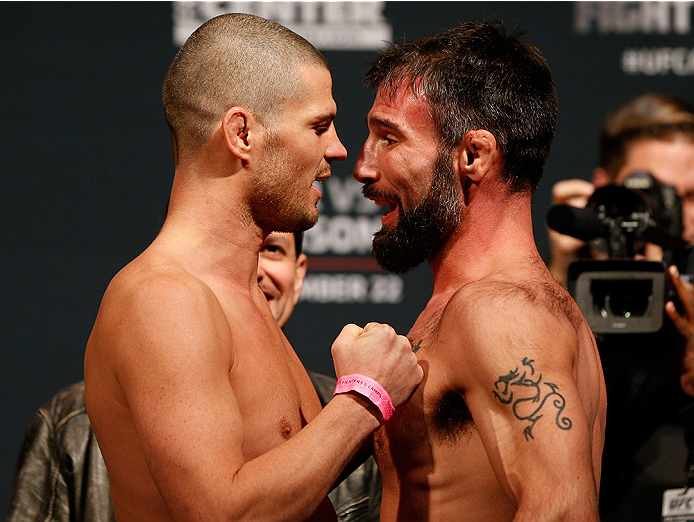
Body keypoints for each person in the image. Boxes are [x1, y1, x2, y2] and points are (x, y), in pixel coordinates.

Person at [83, 13, 421, 522]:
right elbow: (222, 513)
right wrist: (364, 401)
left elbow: (284, 479)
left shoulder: (237, 294)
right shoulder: (166, 298)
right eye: (318, 126)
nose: (338, 149)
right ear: (242, 133)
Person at [351, 22, 607, 521]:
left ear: (473, 155)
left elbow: (564, 512)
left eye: (389, 138)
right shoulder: (496, 304)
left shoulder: (500, 311)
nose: (363, 166)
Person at [7, 232, 382, 522]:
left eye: (272, 250)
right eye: (240, 256)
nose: (255, 271)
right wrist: (364, 400)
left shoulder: (334, 406)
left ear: (299, 275)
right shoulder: (71, 422)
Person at [546, 94, 694, 520]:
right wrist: (555, 285)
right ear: (603, 190)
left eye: (690, 195)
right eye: (653, 196)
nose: (672, 216)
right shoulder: (559, 298)